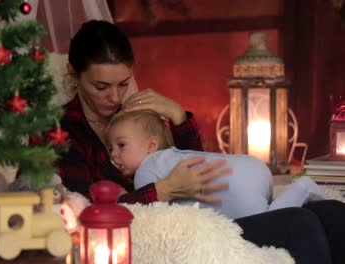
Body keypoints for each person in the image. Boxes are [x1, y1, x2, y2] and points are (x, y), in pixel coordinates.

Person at [57, 19, 345, 263]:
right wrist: (162, 189)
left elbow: (190, 163)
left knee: (331, 213)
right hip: (159, 234)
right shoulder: (63, 133)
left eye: (123, 84)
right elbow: (88, 213)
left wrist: (178, 117)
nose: (115, 97)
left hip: (203, 213)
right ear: (74, 74)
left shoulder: (134, 114)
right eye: (101, 86)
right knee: (300, 224)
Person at [105, 109, 325, 219]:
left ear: (151, 145)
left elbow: (137, 213)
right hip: (251, 166)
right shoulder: (171, 156)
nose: (113, 155)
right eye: (110, 148)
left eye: (121, 145)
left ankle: (302, 187)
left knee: (264, 220)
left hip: (241, 190)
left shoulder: (146, 170)